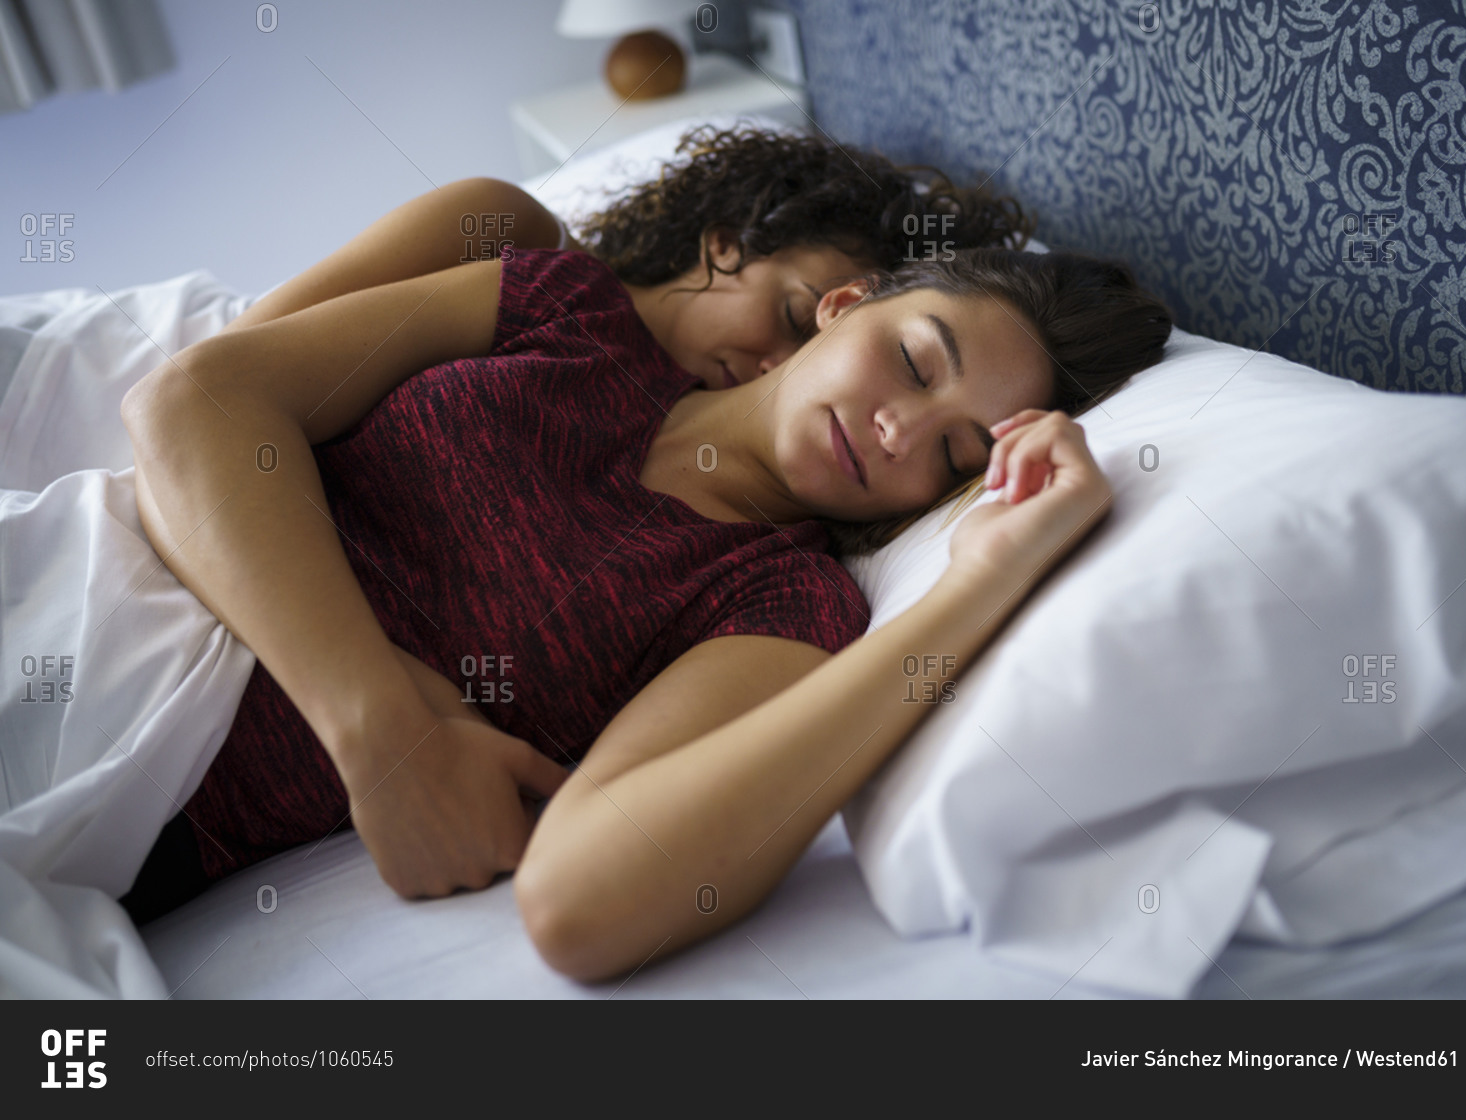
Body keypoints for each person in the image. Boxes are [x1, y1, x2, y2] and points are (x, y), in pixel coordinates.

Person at [119, 236, 1171, 982]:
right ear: (847, 303)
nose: (900, 429)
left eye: (952, 454)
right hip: (77, 582)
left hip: (121, 812)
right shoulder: (563, 306)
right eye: (914, 360)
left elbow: (583, 901)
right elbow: (190, 403)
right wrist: (381, 724)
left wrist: (980, 580)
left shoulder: (778, 603)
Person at [219, 125, 1037, 390]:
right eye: (793, 316)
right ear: (725, 240)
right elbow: (232, 372)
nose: (778, 370)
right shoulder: (504, 230)